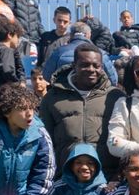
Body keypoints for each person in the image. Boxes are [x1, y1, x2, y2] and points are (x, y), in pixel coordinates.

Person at [40, 44, 120, 173]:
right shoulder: (52, 97)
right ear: (74, 65)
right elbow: (44, 141)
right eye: (85, 65)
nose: (91, 69)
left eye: (96, 66)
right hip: (66, 176)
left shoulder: (115, 96)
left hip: (107, 176)